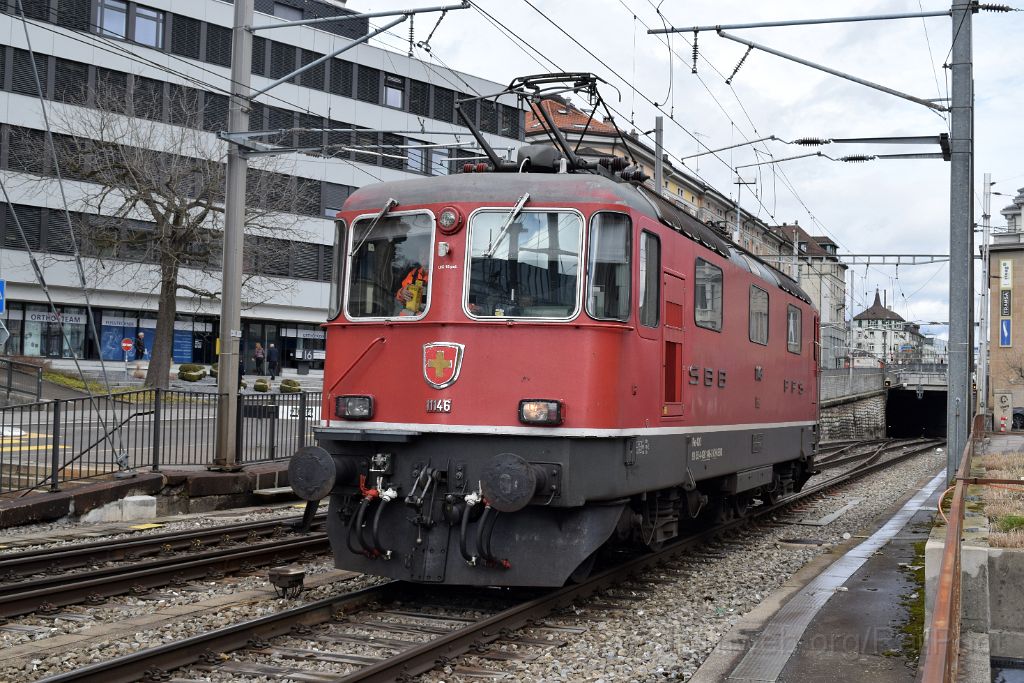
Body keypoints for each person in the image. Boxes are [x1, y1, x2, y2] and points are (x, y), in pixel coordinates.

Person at [395, 247, 430, 315]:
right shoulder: (414, 273)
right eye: (421, 253)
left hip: (429, 315)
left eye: (426, 253)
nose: (423, 256)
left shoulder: (439, 273)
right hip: (413, 316)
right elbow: (399, 296)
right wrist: (402, 292)